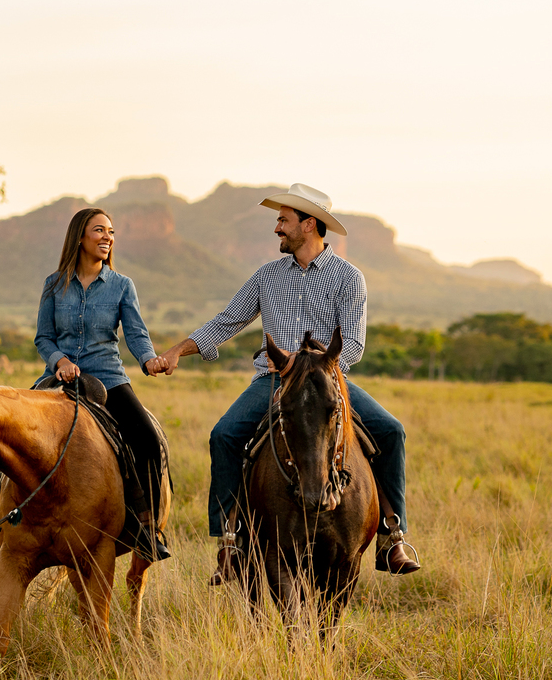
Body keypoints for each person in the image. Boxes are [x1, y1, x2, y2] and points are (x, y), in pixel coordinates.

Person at [153, 183, 420, 582]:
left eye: (283, 220)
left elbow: (355, 344)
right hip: (274, 380)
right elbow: (227, 322)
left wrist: (320, 374)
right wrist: (177, 351)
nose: (277, 228)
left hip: (330, 383)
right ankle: (231, 541)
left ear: (308, 224)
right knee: (224, 435)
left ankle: (391, 535)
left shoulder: (349, 278)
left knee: (391, 431)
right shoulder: (267, 277)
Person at [0, 207, 171, 570]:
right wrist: (60, 361)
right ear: (80, 237)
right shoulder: (54, 284)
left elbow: (136, 334)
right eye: (99, 230)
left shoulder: (122, 285)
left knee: (146, 438)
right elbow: (43, 339)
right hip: (58, 379)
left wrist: (147, 360)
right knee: (3, 443)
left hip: (108, 377)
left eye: (111, 231)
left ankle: (147, 531)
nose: (107, 237)